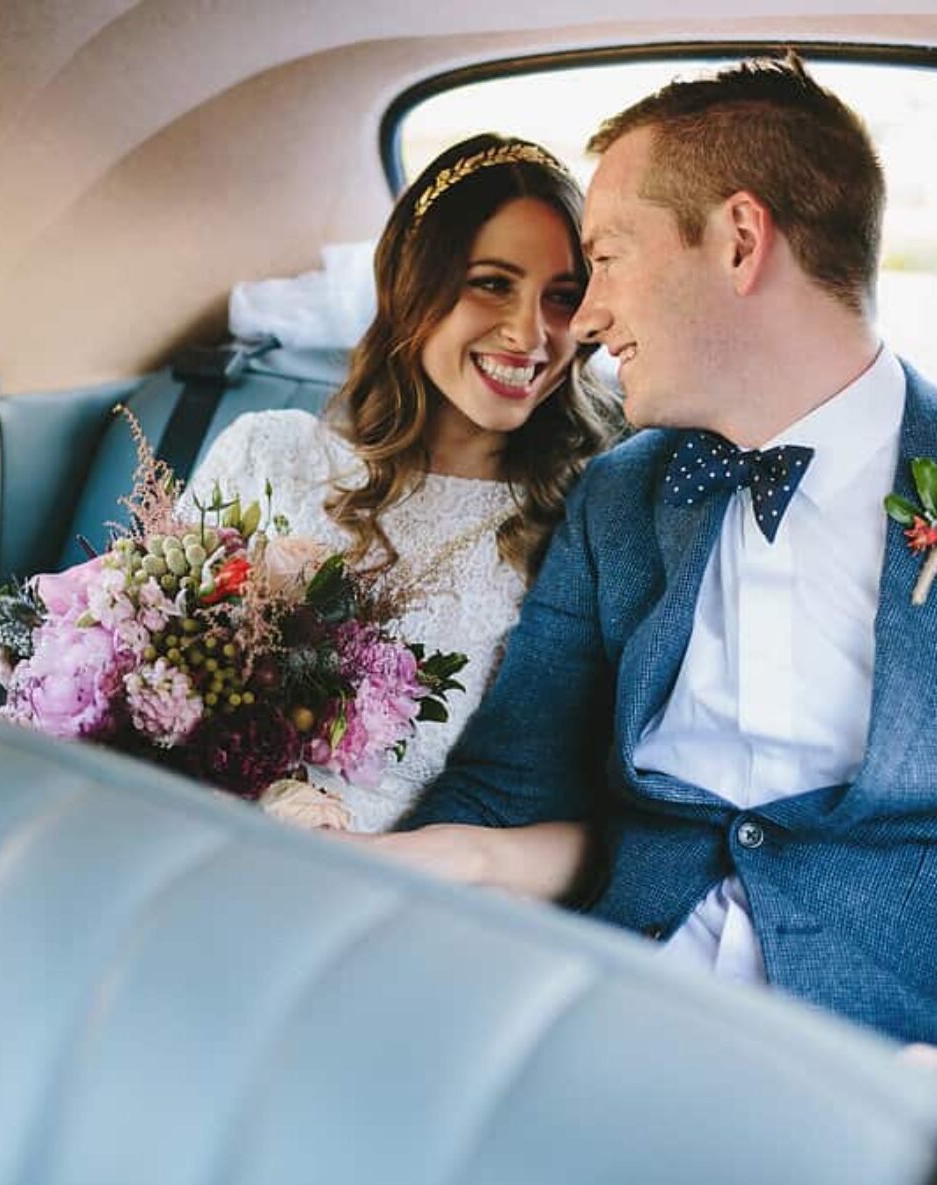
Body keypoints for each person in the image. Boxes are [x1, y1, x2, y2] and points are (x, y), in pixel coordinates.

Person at [367, 56, 937, 1134]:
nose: (588, 317)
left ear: (741, 242)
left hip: (900, 1088)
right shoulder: (619, 500)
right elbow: (505, 789)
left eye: (605, 261)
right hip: (600, 1032)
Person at [185, 133, 620, 834]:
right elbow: (146, 683)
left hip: (406, 890)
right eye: (492, 283)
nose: (529, 333)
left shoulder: (586, 523)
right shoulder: (268, 455)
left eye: (562, 297)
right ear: (414, 286)